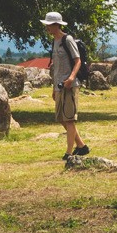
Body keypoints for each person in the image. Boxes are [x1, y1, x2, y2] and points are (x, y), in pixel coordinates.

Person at [44, 11, 85, 157]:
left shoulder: (67, 40)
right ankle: (81, 146)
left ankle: (69, 153)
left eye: (49, 25)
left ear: (56, 25)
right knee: (61, 118)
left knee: (69, 119)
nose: (47, 28)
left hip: (70, 85)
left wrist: (71, 78)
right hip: (59, 85)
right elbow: (55, 66)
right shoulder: (54, 41)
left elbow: (78, 61)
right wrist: (54, 88)